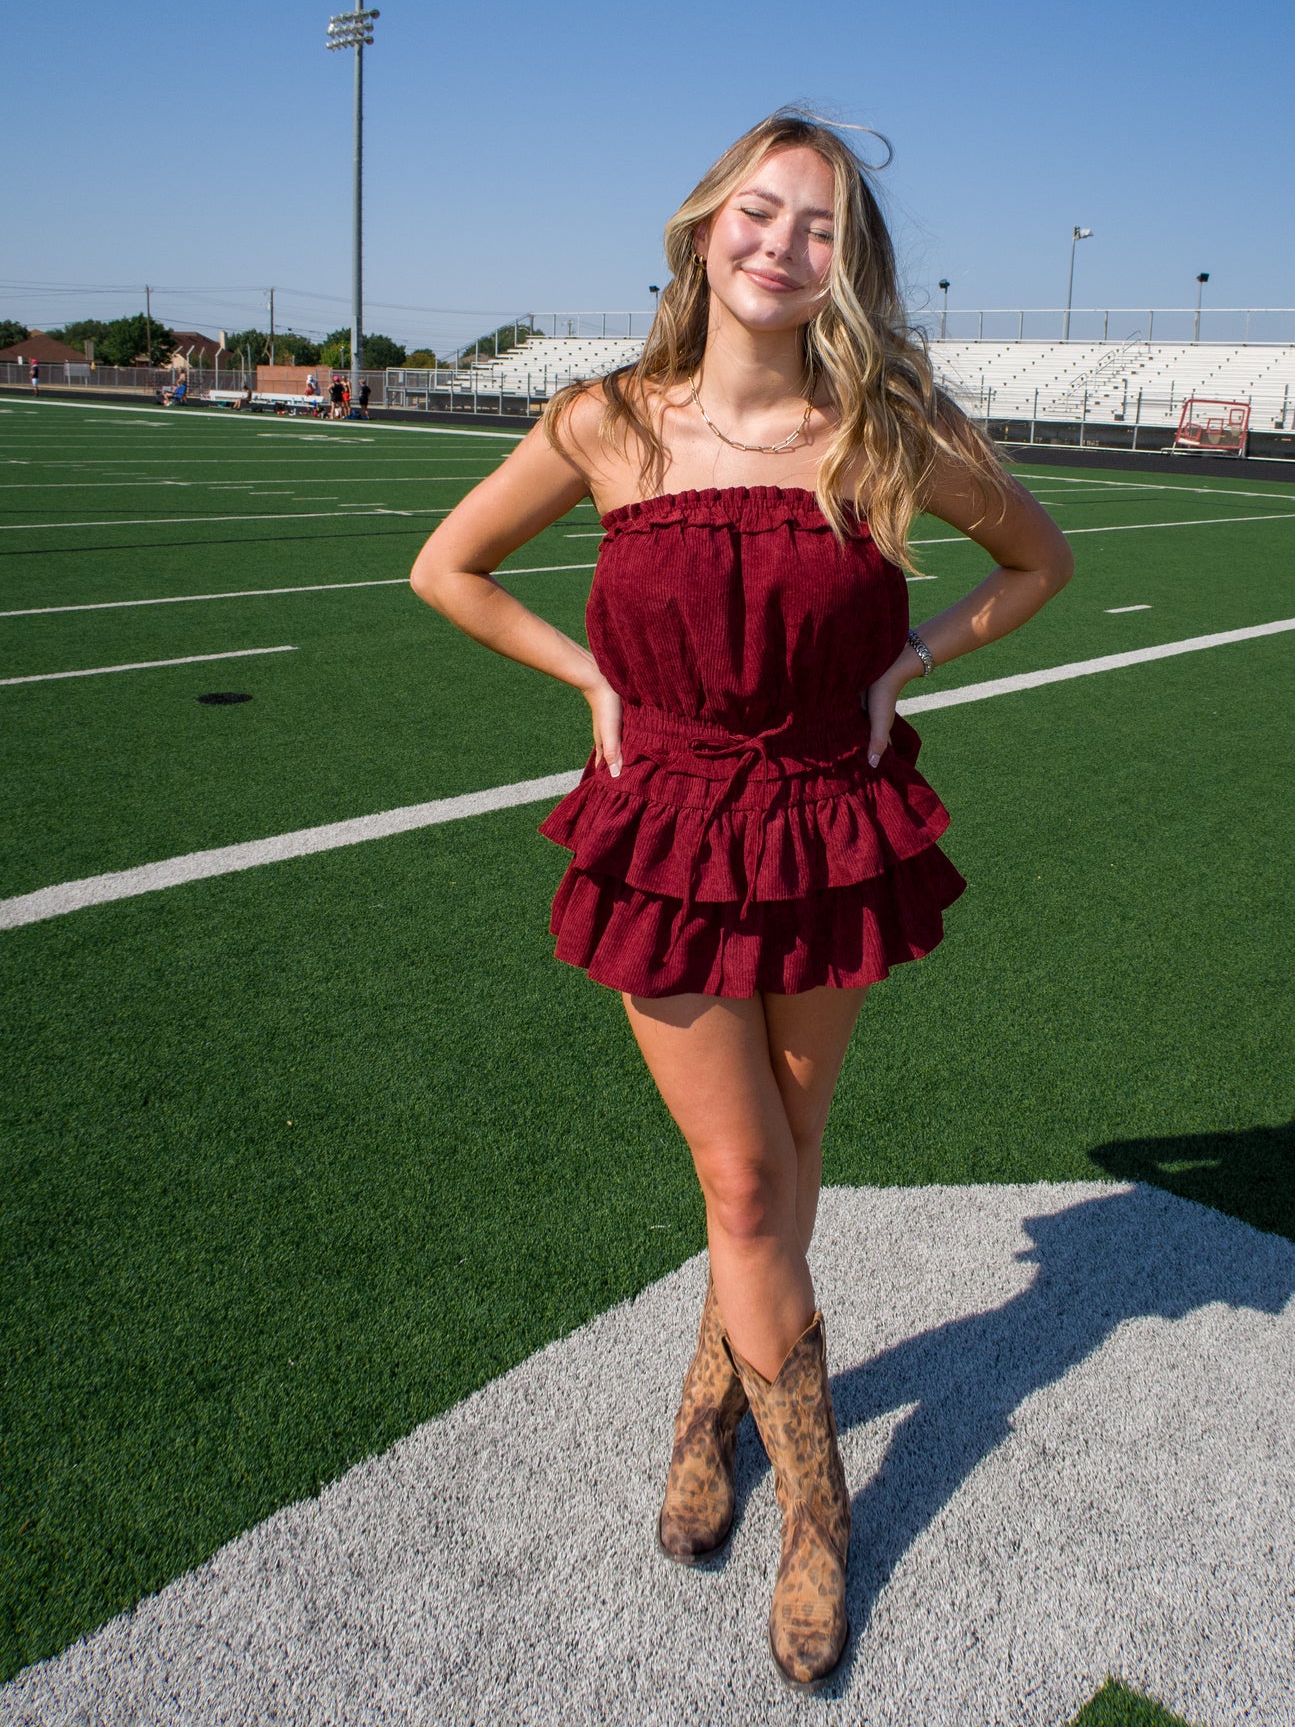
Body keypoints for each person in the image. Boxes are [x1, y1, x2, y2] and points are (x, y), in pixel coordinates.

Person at [410, 111, 1072, 1689]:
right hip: (668, 828)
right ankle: (821, 1524)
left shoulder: (881, 428)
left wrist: (908, 660)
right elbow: (449, 568)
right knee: (747, 1185)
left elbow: (1036, 562)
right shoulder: (604, 426)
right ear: (704, 230)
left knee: (783, 1162)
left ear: (849, 262)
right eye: (758, 213)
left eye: (820, 226)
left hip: (830, 821)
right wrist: (588, 680)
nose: (782, 245)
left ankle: (709, 1408)